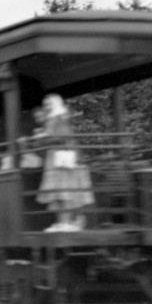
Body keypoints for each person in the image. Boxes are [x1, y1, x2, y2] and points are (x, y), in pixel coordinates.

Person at [33, 94, 94, 231]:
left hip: (60, 157)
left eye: (48, 104)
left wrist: (42, 136)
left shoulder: (58, 117)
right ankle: (65, 222)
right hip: (56, 156)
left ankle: (67, 222)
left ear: (55, 104)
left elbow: (60, 137)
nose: (46, 107)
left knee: (62, 190)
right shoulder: (55, 118)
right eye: (45, 104)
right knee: (59, 192)